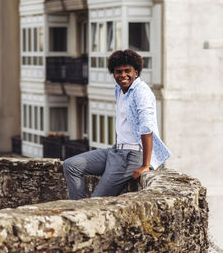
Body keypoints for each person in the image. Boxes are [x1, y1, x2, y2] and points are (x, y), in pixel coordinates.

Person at [63, 49, 171, 200]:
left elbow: (147, 127)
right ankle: (77, 208)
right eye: (118, 71)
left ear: (136, 72)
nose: (123, 75)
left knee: (96, 201)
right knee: (71, 165)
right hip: (116, 150)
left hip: (132, 155)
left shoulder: (142, 92)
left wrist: (145, 165)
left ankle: (84, 213)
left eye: (128, 71)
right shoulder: (120, 90)